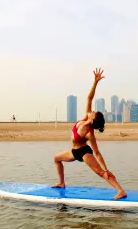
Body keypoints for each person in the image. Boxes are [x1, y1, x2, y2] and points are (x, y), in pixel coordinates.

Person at [51, 68, 127, 200]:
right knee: (57, 158)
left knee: (100, 173)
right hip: (73, 152)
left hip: (84, 152)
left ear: (92, 119)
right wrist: (95, 82)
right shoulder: (86, 118)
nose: (91, 111)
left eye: (93, 112)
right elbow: (89, 97)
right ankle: (62, 183)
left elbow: (96, 152)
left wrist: (105, 168)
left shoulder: (89, 134)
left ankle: (121, 191)